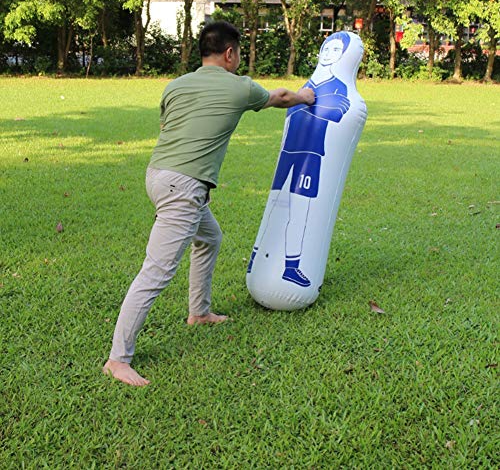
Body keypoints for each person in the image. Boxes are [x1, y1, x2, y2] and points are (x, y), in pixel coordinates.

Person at [103, 21, 315, 386]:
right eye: (238, 54)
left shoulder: (175, 86)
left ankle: (199, 313)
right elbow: (280, 98)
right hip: (184, 188)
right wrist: (306, 98)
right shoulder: (239, 87)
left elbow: (174, 128)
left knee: (210, 237)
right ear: (230, 53)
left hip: (158, 176)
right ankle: (118, 360)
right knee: (156, 272)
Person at [247, 32, 351, 287]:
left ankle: (291, 267)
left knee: (300, 209)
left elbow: (339, 113)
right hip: (288, 153)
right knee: (274, 204)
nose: (328, 55)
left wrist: (312, 106)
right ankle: (256, 258)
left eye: (335, 51)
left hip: (311, 154)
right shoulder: (307, 85)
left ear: (344, 56)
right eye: (326, 49)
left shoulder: (340, 87)